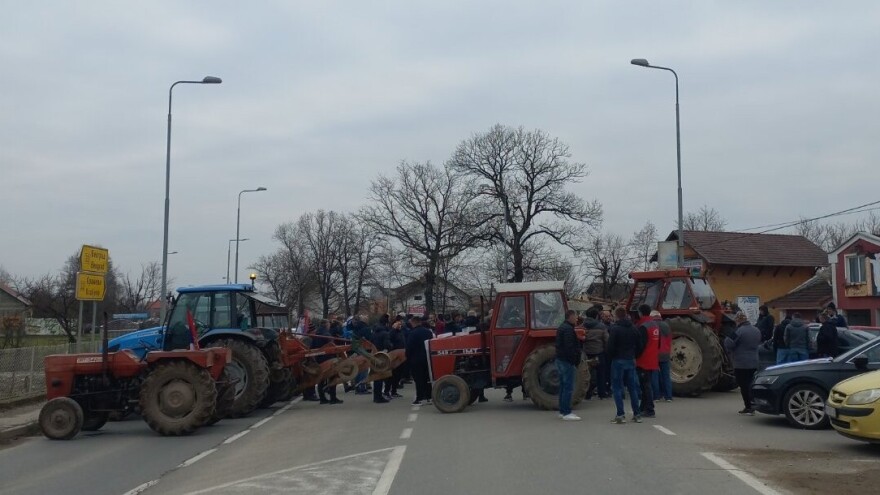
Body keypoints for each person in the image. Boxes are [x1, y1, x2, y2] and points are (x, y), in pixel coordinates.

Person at [607, 307, 643, 424]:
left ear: (617, 315)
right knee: (632, 388)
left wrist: (611, 356)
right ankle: (637, 414)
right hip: (630, 360)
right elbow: (640, 345)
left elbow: (610, 346)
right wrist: (634, 356)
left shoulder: (615, 329)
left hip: (618, 360)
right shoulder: (634, 328)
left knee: (617, 387)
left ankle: (620, 414)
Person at [724, 312, 762, 415]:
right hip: (754, 362)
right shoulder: (756, 330)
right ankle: (753, 405)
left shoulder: (738, 331)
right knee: (751, 384)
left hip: (741, 363)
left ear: (738, 320)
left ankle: (748, 407)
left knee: (744, 386)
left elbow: (728, 343)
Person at [555, 310, 582, 421]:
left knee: (563, 386)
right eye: (575, 317)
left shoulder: (562, 327)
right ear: (570, 317)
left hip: (560, 360)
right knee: (568, 387)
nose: (577, 319)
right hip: (566, 361)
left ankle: (562, 410)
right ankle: (567, 412)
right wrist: (574, 360)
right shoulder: (568, 330)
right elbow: (569, 347)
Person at [634, 304, 660, 419]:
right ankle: (643, 408)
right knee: (646, 384)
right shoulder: (655, 324)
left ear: (640, 313)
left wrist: (635, 356)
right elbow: (658, 343)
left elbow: (640, 345)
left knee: (645, 385)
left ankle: (650, 409)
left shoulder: (643, 326)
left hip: (643, 360)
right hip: (652, 359)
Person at [311, 320, 342, 405]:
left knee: (321, 379)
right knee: (333, 377)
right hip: (329, 359)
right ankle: (333, 398)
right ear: (326, 325)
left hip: (319, 359)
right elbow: (333, 347)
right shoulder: (327, 335)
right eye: (328, 324)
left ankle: (322, 398)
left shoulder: (315, 334)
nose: (329, 325)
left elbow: (312, 347)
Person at [405, 315, 434, 405]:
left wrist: (407, 357)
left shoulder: (412, 333)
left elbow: (409, 347)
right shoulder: (428, 332)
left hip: (416, 359)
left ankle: (419, 398)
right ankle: (429, 397)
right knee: (428, 378)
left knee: (418, 379)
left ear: (414, 323)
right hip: (427, 358)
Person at [582, 307, 609, 400]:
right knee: (601, 374)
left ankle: (587, 393)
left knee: (587, 373)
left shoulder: (583, 326)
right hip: (599, 352)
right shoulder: (601, 326)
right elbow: (606, 340)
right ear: (596, 316)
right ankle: (602, 393)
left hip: (587, 353)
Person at [651, 311, 673, 402]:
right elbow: (669, 339)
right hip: (665, 354)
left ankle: (656, 396)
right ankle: (668, 396)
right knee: (666, 376)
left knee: (654, 376)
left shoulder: (651, 325)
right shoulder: (666, 325)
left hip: (654, 354)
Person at [371, 315, 393, 403]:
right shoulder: (385, 333)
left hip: (374, 355)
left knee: (376, 376)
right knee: (381, 376)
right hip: (382, 356)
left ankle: (376, 396)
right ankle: (379, 397)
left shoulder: (374, 333)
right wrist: (392, 346)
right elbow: (387, 345)